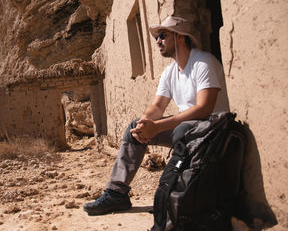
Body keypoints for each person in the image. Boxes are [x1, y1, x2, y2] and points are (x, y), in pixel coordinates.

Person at [83, 15, 230, 216]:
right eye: (156, 37)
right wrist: (144, 124)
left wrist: (159, 127)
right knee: (134, 127)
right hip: (185, 129)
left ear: (179, 37)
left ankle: (172, 194)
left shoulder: (203, 62)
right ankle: (116, 193)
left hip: (212, 129)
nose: (157, 41)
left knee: (180, 129)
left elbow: (205, 107)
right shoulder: (170, 71)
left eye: (162, 36)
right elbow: (158, 105)